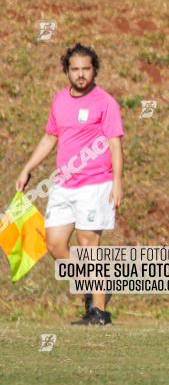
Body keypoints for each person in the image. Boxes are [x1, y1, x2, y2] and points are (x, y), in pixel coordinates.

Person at [16, 43, 124, 325]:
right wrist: (28, 168)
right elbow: (50, 137)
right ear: (67, 71)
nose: (80, 74)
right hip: (64, 184)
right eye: (75, 69)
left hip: (95, 184)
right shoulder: (59, 101)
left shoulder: (105, 102)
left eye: (86, 69)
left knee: (88, 246)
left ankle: (98, 312)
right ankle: (99, 285)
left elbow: (115, 144)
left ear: (94, 70)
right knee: (54, 244)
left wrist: (118, 182)